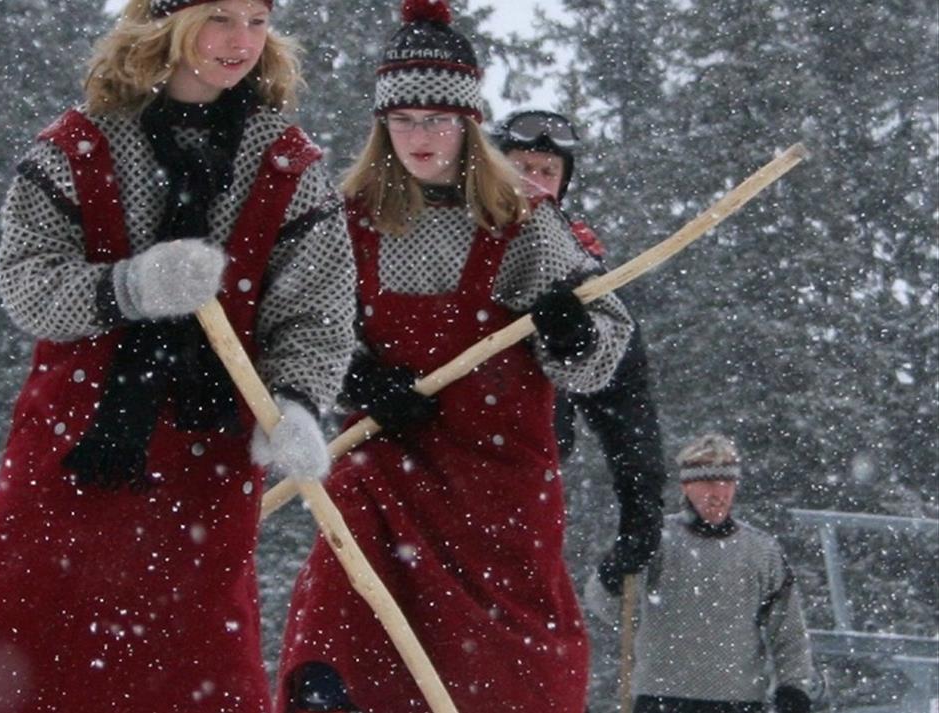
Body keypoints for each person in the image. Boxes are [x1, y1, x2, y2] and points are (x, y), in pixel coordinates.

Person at [0, 0, 356, 710]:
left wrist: (299, 401)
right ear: (167, 22)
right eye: (221, 17)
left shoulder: (288, 164)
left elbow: (318, 309)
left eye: (257, 20)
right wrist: (129, 287)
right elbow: (28, 286)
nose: (242, 40)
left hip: (209, 456)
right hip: (76, 441)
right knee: (12, 633)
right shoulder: (77, 147)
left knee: (193, 654)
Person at [275, 2, 635, 711]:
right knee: (339, 650)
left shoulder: (523, 217)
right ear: (382, 124)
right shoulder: (347, 219)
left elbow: (605, 343)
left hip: (497, 490)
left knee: (507, 680)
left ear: (468, 122)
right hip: (384, 468)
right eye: (403, 119)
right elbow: (298, 329)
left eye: (437, 118)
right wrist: (356, 376)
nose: (419, 136)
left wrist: (571, 334)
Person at [491, 109, 668, 611]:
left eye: (548, 172)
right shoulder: (447, 240)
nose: (533, 181)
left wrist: (641, 520)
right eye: (521, 167)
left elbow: (626, 404)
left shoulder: (583, 273)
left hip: (527, 478)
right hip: (433, 467)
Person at [584, 434, 818, 713]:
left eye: (727, 482)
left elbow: (789, 631)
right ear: (686, 486)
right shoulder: (655, 541)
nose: (719, 493)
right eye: (708, 483)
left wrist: (794, 688)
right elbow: (609, 608)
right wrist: (613, 571)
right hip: (660, 700)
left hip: (739, 702)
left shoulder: (761, 551)